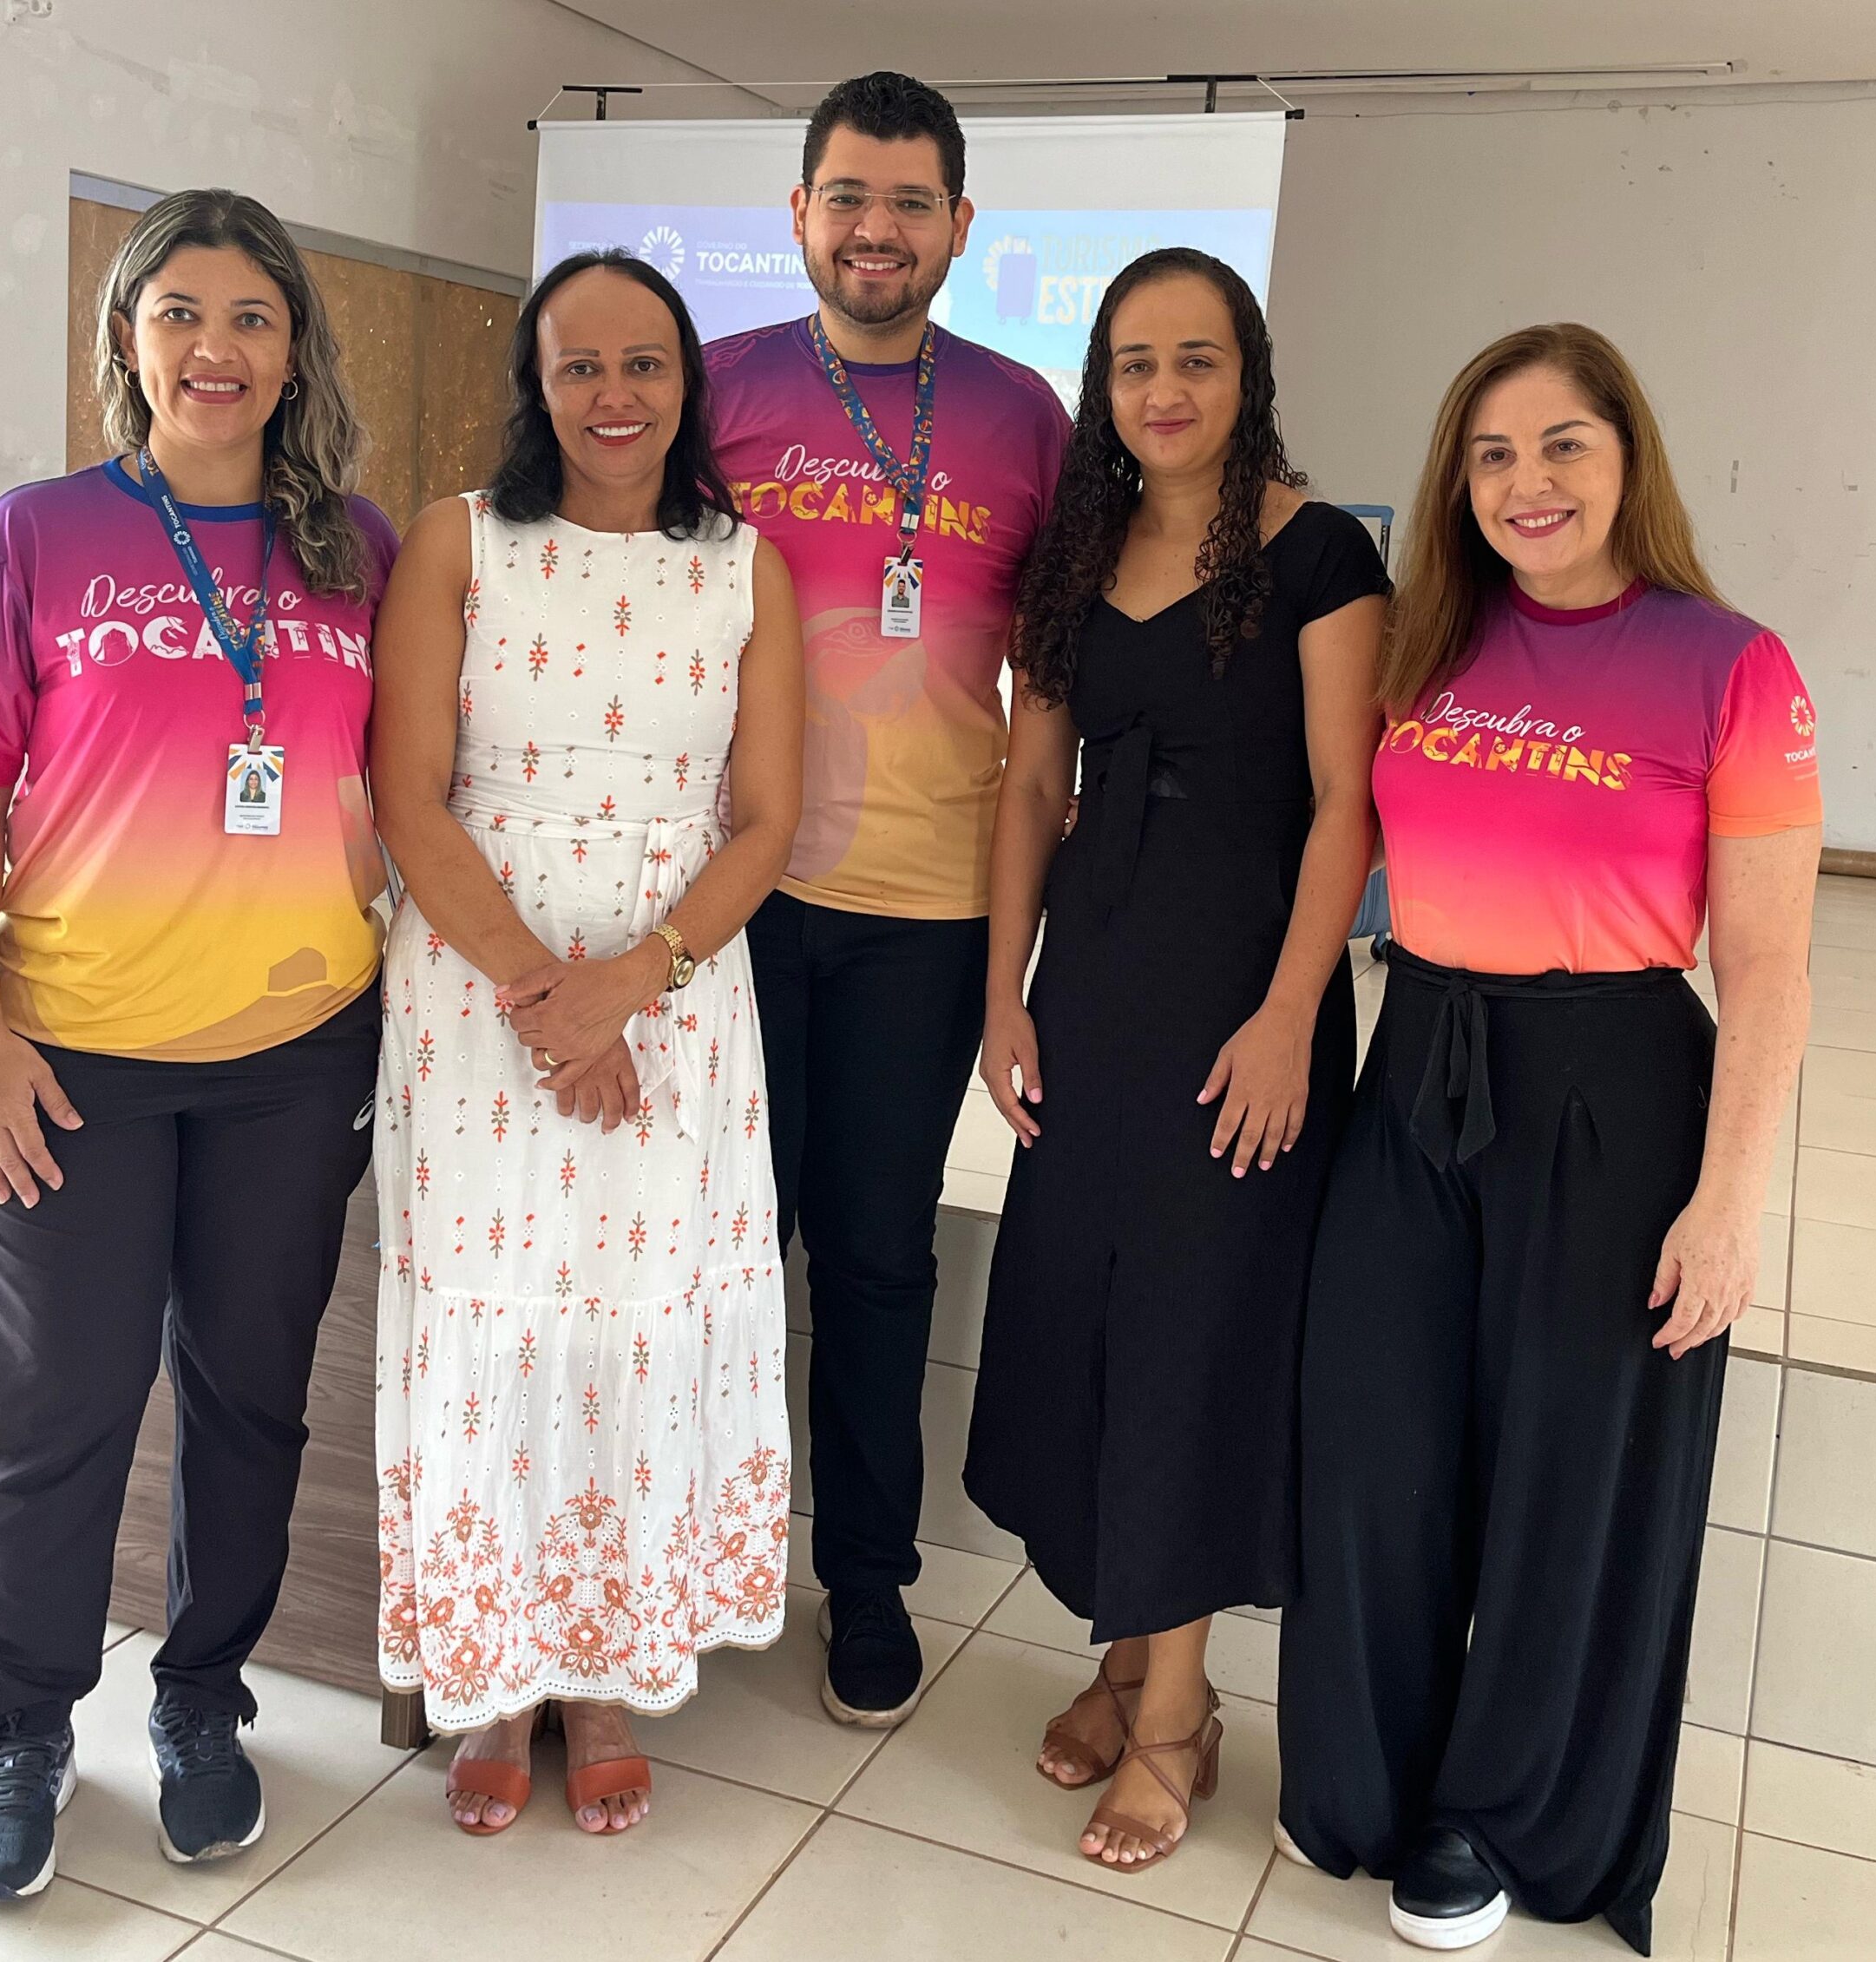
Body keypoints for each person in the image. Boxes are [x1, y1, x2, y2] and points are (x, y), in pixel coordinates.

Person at [1276, 325, 1821, 1953]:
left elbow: (1771, 968)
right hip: (1420, 1057)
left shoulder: (1732, 666)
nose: (1529, 482)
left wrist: (1729, 1203)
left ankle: (1496, 1815)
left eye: (1564, 444)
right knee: (1374, 1435)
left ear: (1627, 456)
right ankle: (1367, 1771)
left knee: (1570, 1470)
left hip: (1617, 1082)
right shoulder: (1426, 644)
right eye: (1494, 452)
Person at [0, 188, 397, 1900]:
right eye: (181, 312)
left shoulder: (358, 551)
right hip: (68, 1060)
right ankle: (24, 1729)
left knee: (250, 1400)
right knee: (60, 1411)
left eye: (252, 316)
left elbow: (417, 779)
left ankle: (200, 1700)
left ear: (293, 349)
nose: (216, 347)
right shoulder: (34, 534)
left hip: (294, 1058)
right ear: (129, 338)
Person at [370, 250, 804, 1837]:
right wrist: (552, 1001)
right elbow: (409, 793)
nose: (615, 395)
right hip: (477, 988)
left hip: (677, 988)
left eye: (645, 364)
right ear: (535, 387)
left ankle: (606, 1672)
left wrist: (635, 980)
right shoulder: (458, 543)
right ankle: (496, 1675)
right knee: (499, 1322)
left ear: (688, 384)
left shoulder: (745, 568)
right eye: (579, 366)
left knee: (631, 1320)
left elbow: (765, 823)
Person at [963, 248, 1387, 1869]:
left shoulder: (1321, 555)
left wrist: (1289, 1015)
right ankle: (1124, 1652)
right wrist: (1006, 993)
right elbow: (1028, 785)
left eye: (1198, 358)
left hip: (1242, 995)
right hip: (1095, 985)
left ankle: (1179, 1716)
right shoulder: (1075, 553)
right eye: (1135, 361)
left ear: (1247, 373)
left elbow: (1346, 805)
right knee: (1087, 1312)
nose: (1165, 389)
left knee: (1197, 1330)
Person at [705, 71, 1071, 1727]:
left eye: (912, 201)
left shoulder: (1024, 418)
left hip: (927, 913)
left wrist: (1020, 962)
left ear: (961, 227)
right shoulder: (712, 392)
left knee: (874, 1256)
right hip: (730, 902)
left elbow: (1053, 694)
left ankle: (865, 1578)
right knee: (720, 1249)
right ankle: (701, 1554)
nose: (877, 229)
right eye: (848, 196)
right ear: (799, 213)